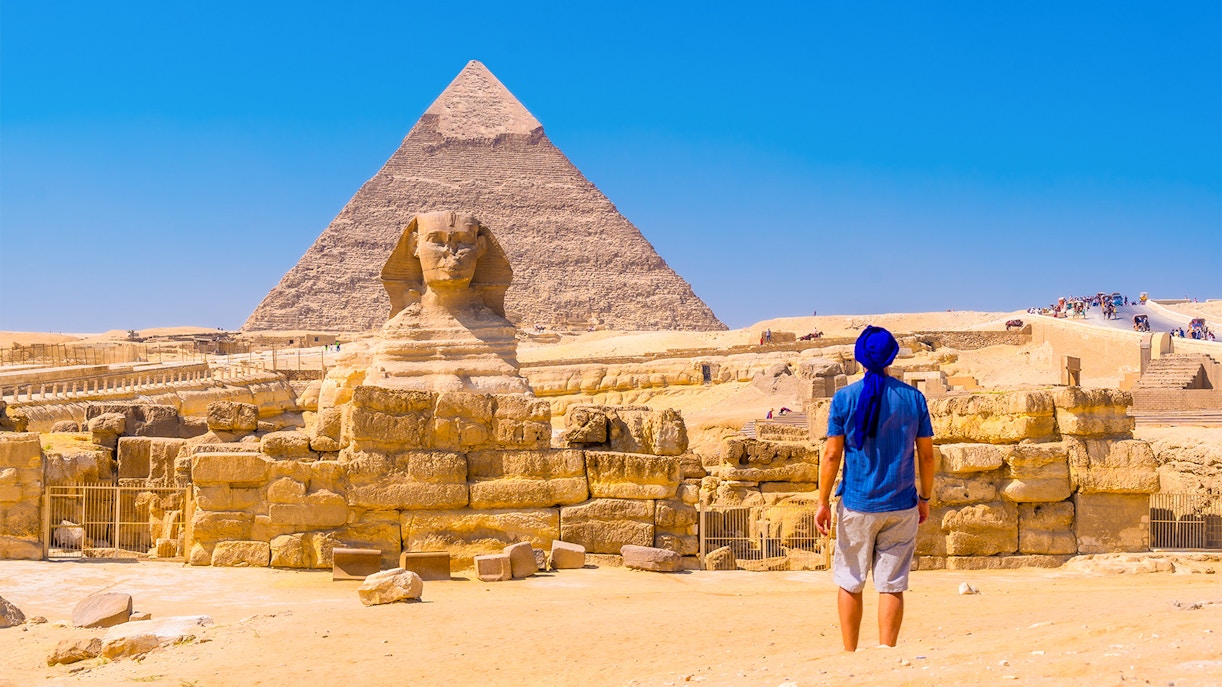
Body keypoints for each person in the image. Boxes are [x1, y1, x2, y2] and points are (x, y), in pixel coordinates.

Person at [815, 325, 935, 651]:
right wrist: (924, 498)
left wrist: (823, 501)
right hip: (901, 504)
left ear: (860, 359)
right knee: (892, 584)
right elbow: (926, 456)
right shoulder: (914, 399)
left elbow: (831, 455)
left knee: (850, 581)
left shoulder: (844, 399)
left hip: (856, 503)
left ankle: (850, 653)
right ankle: (886, 654)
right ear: (891, 357)